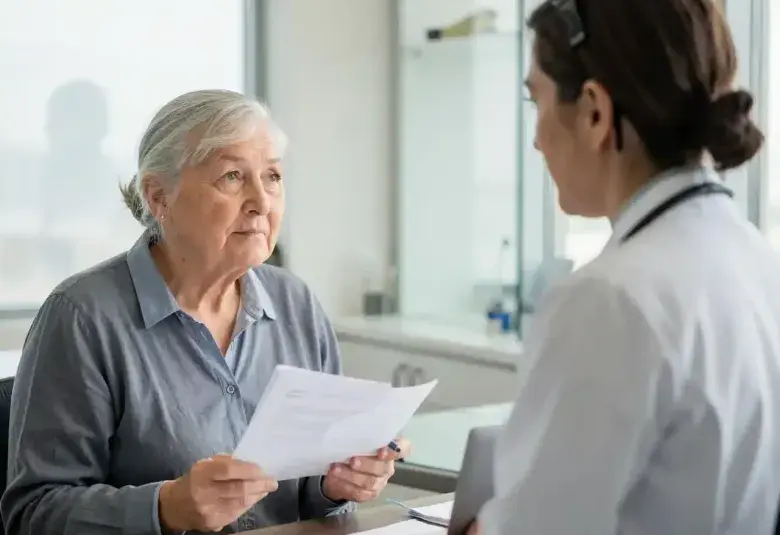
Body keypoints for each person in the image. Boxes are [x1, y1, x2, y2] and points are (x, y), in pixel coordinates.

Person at [0, 89, 409, 535]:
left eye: (272, 176)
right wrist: (166, 508)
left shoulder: (296, 303)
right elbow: (33, 515)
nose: (261, 201)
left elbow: (309, 490)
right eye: (232, 177)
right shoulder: (82, 317)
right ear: (159, 197)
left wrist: (335, 486)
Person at [469, 0, 780, 534]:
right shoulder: (757, 262)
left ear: (594, 111)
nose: (536, 139)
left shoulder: (610, 300)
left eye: (536, 101)